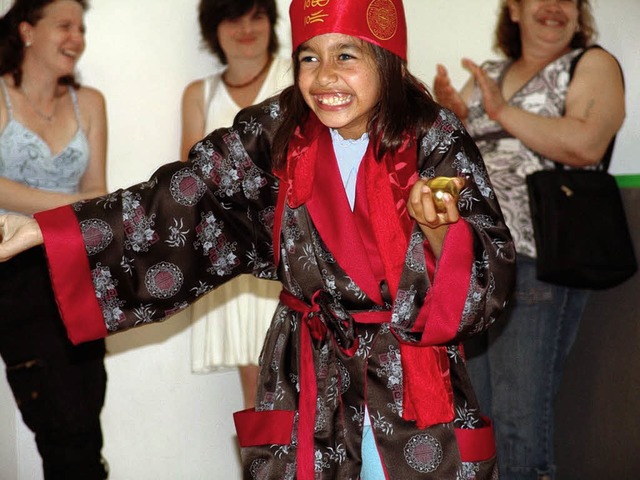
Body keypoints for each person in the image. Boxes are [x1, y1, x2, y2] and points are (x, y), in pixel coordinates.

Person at [0, 0, 517, 477]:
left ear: (386, 58)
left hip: (409, 380)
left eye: (345, 55)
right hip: (308, 371)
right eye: (309, 58)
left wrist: (439, 230)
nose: (325, 77)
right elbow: (180, 197)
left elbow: (490, 270)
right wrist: (50, 229)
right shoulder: (275, 133)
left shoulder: (434, 137)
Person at [433, 1, 625, 479]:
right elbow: (452, 165)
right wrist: (449, 121)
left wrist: (498, 112)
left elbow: (585, 145)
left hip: (535, 258)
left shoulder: (590, 63)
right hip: (473, 261)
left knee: (519, 422)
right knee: (474, 417)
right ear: (514, 10)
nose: (555, 7)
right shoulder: (490, 71)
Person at [0, 0, 110, 478]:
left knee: (87, 409)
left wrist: (48, 209)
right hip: (14, 273)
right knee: (59, 419)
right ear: (26, 31)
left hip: (77, 266)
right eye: (64, 25)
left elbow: (101, 193)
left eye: (81, 28)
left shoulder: (91, 103)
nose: (77, 37)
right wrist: (67, 207)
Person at [180, 0, 291, 409]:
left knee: (303, 385)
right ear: (215, 29)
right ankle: (263, 474)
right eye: (234, 18)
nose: (246, 28)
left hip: (288, 252)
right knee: (257, 395)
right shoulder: (199, 93)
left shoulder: (295, 76)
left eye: (256, 16)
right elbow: (190, 180)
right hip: (232, 259)